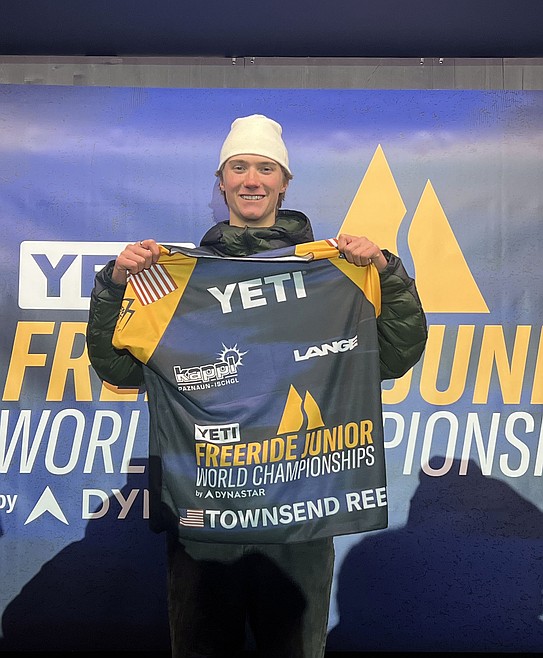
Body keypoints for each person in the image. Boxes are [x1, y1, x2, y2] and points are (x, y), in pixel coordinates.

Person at [86, 114, 427, 658]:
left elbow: (394, 356)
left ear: (284, 182)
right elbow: (119, 370)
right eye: (239, 167)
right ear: (220, 181)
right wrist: (113, 286)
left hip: (301, 515)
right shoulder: (174, 281)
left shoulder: (333, 274)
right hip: (204, 516)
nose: (252, 180)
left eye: (265, 168)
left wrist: (386, 272)